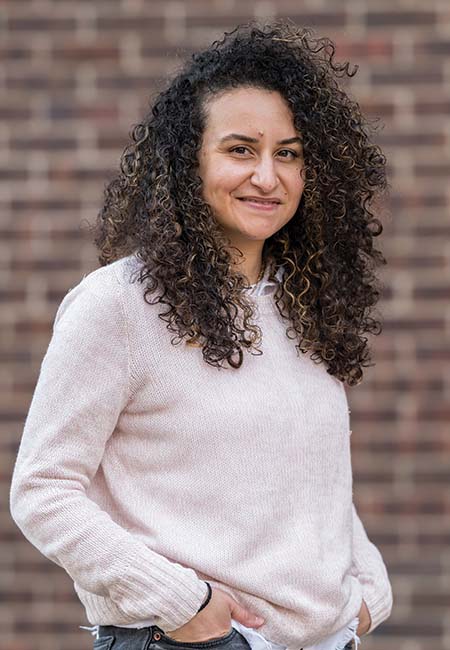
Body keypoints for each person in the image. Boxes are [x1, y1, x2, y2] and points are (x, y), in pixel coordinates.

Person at [10, 19, 393, 650]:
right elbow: (43, 489)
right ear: (188, 162)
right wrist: (181, 602)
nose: (267, 176)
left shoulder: (302, 306)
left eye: (288, 153)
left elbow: (314, 482)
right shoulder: (118, 306)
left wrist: (365, 594)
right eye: (240, 150)